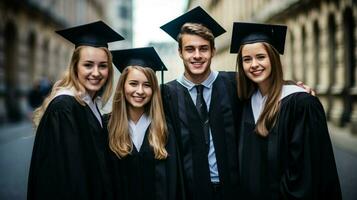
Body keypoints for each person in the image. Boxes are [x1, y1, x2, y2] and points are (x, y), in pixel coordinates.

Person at [230, 22, 342, 199]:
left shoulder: (301, 104)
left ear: (273, 59)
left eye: (261, 57)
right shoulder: (245, 102)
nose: (254, 64)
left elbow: (307, 173)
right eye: (247, 59)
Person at [27, 21, 124, 200]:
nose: (96, 72)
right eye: (88, 65)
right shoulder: (64, 107)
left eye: (102, 66)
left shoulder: (90, 104)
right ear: (75, 66)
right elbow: (68, 181)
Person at [160, 6, 240, 200]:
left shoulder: (234, 84)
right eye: (190, 49)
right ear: (180, 52)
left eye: (203, 48)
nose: (197, 55)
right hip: (188, 192)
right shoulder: (166, 94)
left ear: (213, 50)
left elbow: (267, 87)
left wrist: (291, 85)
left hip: (233, 189)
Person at [106, 47, 184, 200]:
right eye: (133, 84)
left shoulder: (164, 128)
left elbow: (174, 183)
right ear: (122, 86)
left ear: (154, 90)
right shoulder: (107, 126)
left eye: (147, 85)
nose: (140, 91)